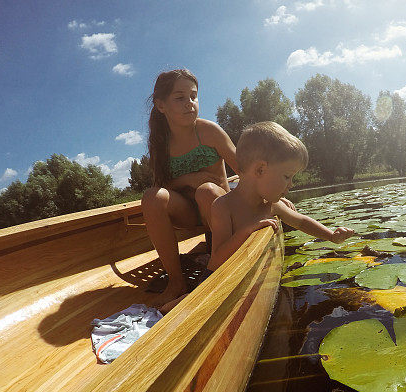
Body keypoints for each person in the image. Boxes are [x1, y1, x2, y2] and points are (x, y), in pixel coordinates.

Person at [158, 121, 354, 313]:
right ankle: (161, 310)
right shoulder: (223, 207)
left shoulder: (271, 205)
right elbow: (218, 258)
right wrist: (247, 231)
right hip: (216, 280)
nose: (291, 184)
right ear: (260, 170)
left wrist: (331, 235)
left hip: (242, 278)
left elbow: (301, 221)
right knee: (182, 308)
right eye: (287, 176)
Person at [140, 68, 238, 308]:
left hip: (220, 209)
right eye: (180, 98)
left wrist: (271, 200)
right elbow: (164, 186)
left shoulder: (209, 131)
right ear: (161, 105)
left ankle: (221, 266)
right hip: (186, 212)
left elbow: (246, 170)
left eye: (193, 96)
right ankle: (176, 282)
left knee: (206, 191)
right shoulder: (160, 144)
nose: (189, 103)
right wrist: (189, 179)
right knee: (152, 196)